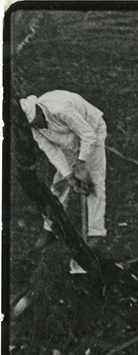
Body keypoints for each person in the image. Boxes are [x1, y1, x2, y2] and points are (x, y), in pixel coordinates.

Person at [22, 91, 107, 268]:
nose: (37, 125)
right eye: (32, 124)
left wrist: (81, 164)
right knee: (58, 185)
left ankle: (95, 232)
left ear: (38, 111)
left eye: (36, 120)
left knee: (94, 182)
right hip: (68, 142)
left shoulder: (61, 109)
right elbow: (51, 151)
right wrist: (69, 176)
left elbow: (88, 135)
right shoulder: (34, 128)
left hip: (91, 131)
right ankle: (51, 228)